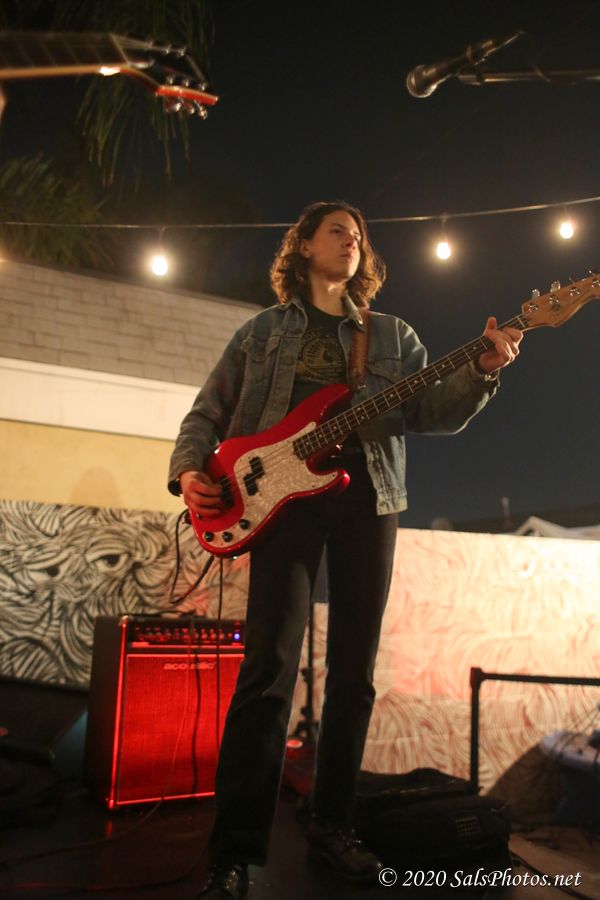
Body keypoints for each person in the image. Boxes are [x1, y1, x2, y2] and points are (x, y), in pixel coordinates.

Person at [168, 200, 522, 900]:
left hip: (369, 500)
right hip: (279, 504)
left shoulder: (391, 335)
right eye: (337, 231)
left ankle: (332, 827)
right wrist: (188, 472)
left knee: (354, 674)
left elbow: (429, 412)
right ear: (303, 246)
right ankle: (233, 852)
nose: (352, 241)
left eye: (359, 235)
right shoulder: (261, 332)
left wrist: (482, 370)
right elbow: (207, 411)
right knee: (267, 671)